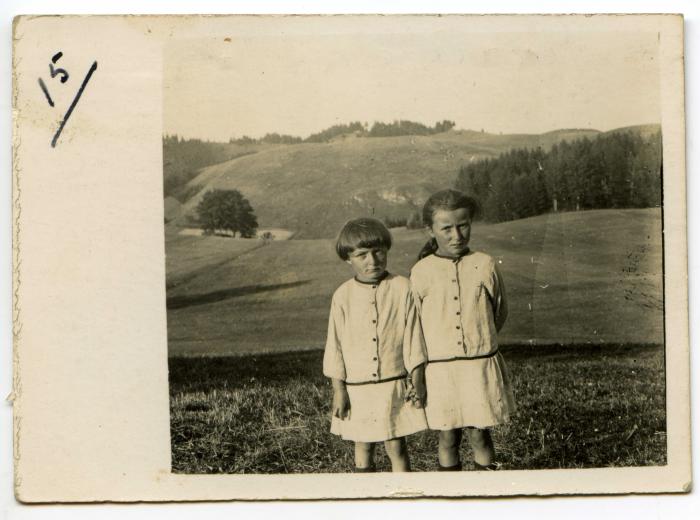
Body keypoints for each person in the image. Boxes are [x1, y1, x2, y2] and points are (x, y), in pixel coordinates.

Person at [411, 189, 516, 471]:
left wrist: (478, 341)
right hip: (441, 371)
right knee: (448, 437)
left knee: (479, 434)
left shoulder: (485, 264)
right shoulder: (422, 271)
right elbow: (415, 324)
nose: (456, 235)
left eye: (463, 225)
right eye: (446, 228)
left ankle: (486, 492)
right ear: (430, 230)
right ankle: (452, 492)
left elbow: (498, 312)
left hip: (478, 367)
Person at [323, 217, 428, 472]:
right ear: (348, 258)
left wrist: (417, 378)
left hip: (393, 384)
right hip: (358, 388)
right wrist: (339, 390)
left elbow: (414, 337)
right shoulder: (343, 295)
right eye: (362, 255)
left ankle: (403, 493)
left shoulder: (402, 287)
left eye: (378, 251)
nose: (372, 261)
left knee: (396, 446)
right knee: (363, 445)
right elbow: (335, 346)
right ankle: (366, 493)